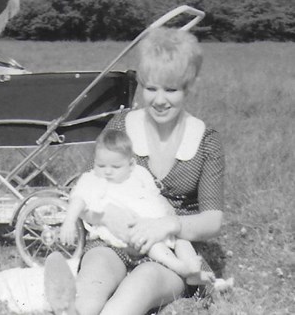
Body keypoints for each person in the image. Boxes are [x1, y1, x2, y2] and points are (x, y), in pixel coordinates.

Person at [45, 27, 225, 315]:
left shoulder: (206, 140)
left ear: (189, 87)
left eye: (171, 89)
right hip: (113, 239)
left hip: (169, 253)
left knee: (132, 296)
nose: (159, 100)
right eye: (151, 88)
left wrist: (170, 224)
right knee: (92, 285)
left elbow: (213, 220)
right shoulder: (120, 127)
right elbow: (94, 189)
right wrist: (106, 216)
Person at [60, 129, 212, 283]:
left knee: (182, 240)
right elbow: (78, 198)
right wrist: (69, 221)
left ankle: (194, 272)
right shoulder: (94, 180)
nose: (107, 171)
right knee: (154, 246)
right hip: (129, 233)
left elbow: (155, 194)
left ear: (131, 164)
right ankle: (179, 267)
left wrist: (165, 211)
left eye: (115, 167)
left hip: (156, 224)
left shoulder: (138, 173)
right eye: (101, 165)